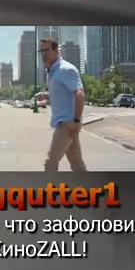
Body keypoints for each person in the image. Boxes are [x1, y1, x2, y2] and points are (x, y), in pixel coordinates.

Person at [41, 37, 87, 172]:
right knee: (77, 164)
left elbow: (79, 94)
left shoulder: (66, 69)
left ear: (56, 51)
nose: (43, 54)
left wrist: (76, 121)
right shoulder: (53, 71)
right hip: (65, 122)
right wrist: (46, 95)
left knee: (50, 162)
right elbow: (62, 94)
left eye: (47, 50)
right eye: (41, 51)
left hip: (67, 124)